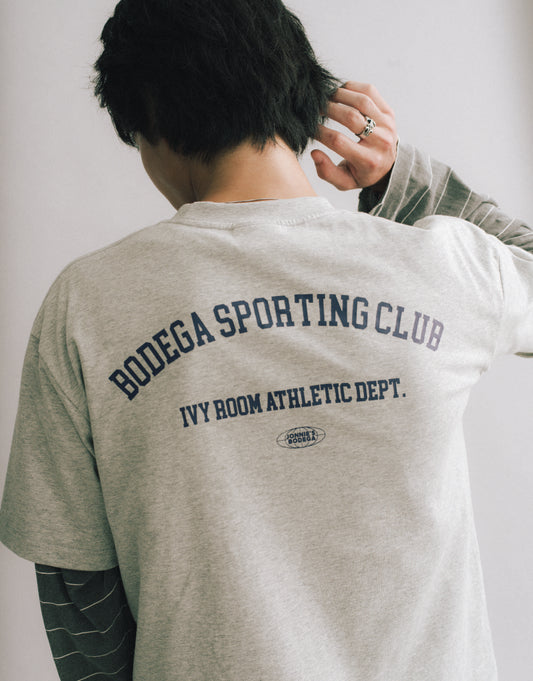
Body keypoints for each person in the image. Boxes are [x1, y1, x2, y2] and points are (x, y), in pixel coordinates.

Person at [0, 1, 532, 680]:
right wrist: (399, 177)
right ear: (304, 99)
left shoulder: (86, 303)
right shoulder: (438, 268)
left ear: (147, 120)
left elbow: (80, 595)